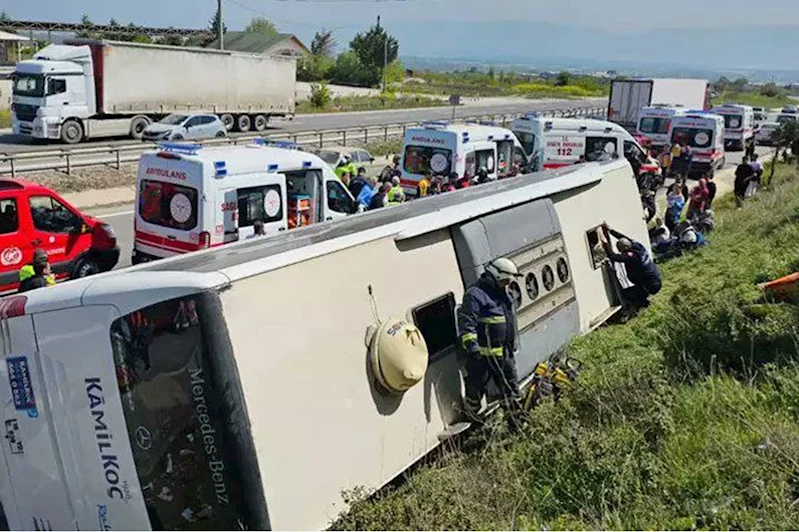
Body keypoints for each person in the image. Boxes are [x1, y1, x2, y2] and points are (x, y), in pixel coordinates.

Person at [457, 257, 526, 432]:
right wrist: (473, 349)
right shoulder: (474, 295)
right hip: (482, 357)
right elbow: (467, 324)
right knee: (475, 389)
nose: (507, 285)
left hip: (504, 355)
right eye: (505, 281)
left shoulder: (502, 293)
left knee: (511, 389)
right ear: (495, 276)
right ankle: (472, 426)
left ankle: (517, 426)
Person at [600, 223, 662, 311]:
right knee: (633, 288)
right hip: (656, 280)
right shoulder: (637, 245)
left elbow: (613, 257)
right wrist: (610, 230)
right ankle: (643, 298)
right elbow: (623, 237)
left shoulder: (632, 256)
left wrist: (605, 242)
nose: (621, 253)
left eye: (621, 250)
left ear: (625, 248)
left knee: (626, 294)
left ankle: (643, 304)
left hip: (650, 286)